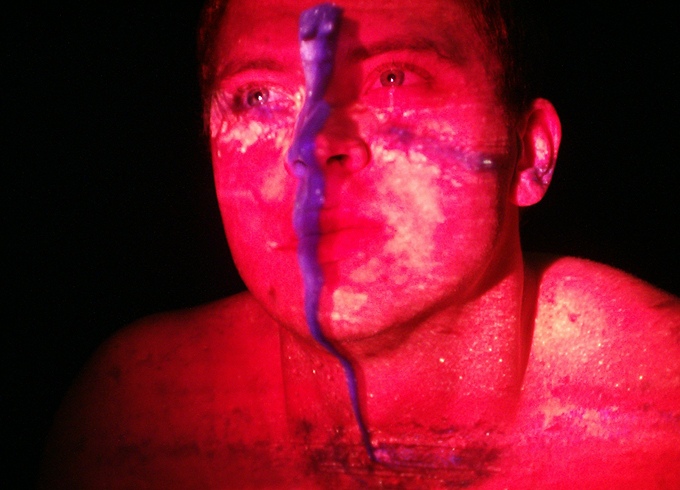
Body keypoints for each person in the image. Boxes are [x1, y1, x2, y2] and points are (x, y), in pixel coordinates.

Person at [39, 0, 680, 488]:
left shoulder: (662, 419)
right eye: (258, 96)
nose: (311, 148)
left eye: (394, 79)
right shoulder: (133, 421)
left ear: (529, 154)